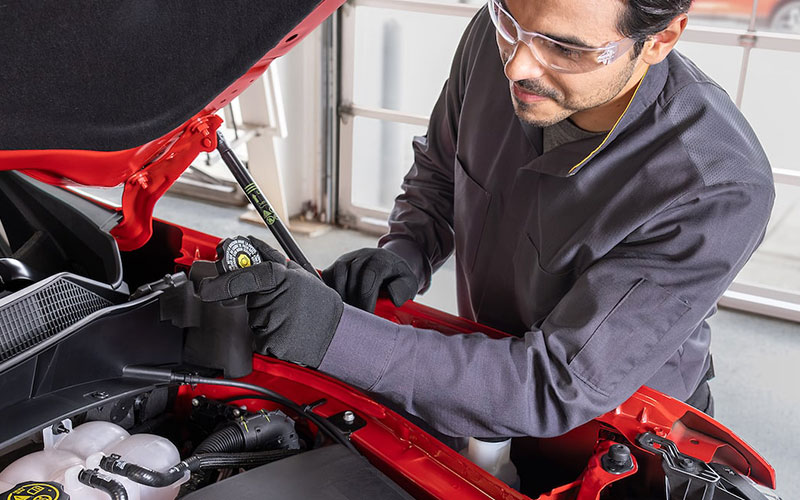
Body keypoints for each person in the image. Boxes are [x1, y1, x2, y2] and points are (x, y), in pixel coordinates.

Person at [200, 0, 774, 439]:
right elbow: (443, 170)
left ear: (661, 38)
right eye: (511, 21)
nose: (519, 64)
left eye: (564, 48)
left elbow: (555, 385)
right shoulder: (495, 34)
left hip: (614, 426)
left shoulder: (715, 185)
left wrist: (332, 334)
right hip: (482, 368)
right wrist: (405, 249)